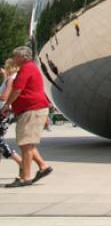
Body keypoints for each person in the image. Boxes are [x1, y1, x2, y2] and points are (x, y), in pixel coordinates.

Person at [1, 46, 53, 187]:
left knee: (25, 144)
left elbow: (17, 90)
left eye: (15, 56)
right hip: (32, 109)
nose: (13, 58)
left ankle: (25, 177)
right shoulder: (29, 67)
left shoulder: (26, 68)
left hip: (31, 110)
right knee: (27, 143)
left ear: (23, 57)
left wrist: (7, 105)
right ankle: (43, 167)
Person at [0, 60, 24, 176]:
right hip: (4, 113)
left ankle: (20, 162)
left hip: (2, 113)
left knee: (0, 142)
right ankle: (20, 162)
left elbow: (4, 96)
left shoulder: (11, 79)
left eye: (6, 66)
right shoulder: (10, 78)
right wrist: (4, 75)